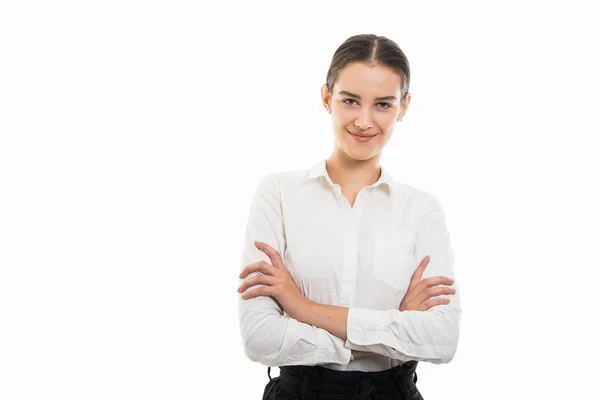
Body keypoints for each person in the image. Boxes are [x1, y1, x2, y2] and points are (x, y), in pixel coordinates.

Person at [237, 33, 461, 400]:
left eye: (383, 104)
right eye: (350, 100)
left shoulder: (421, 210)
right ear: (327, 98)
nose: (364, 120)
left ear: (403, 107)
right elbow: (259, 338)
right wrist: (388, 336)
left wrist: (303, 308)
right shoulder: (278, 194)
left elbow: (442, 338)